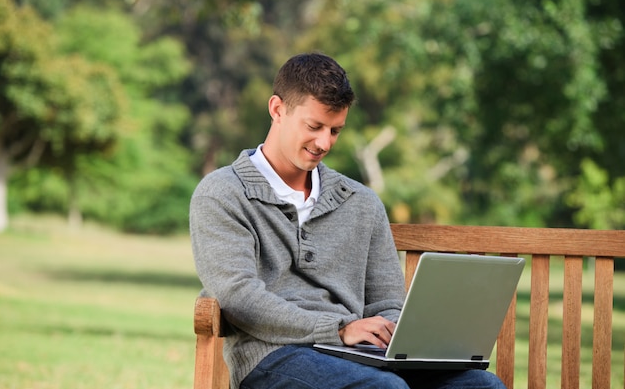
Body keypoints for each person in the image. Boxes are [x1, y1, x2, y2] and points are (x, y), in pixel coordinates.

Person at [190, 52, 506, 389]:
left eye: (335, 130)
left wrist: (396, 338)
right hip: (273, 356)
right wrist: (340, 329)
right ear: (277, 109)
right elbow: (239, 297)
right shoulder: (223, 193)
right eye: (314, 127)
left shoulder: (361, 202)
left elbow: (387, 303)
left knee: (481, 386)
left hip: (357, 355)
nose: (324, 142)